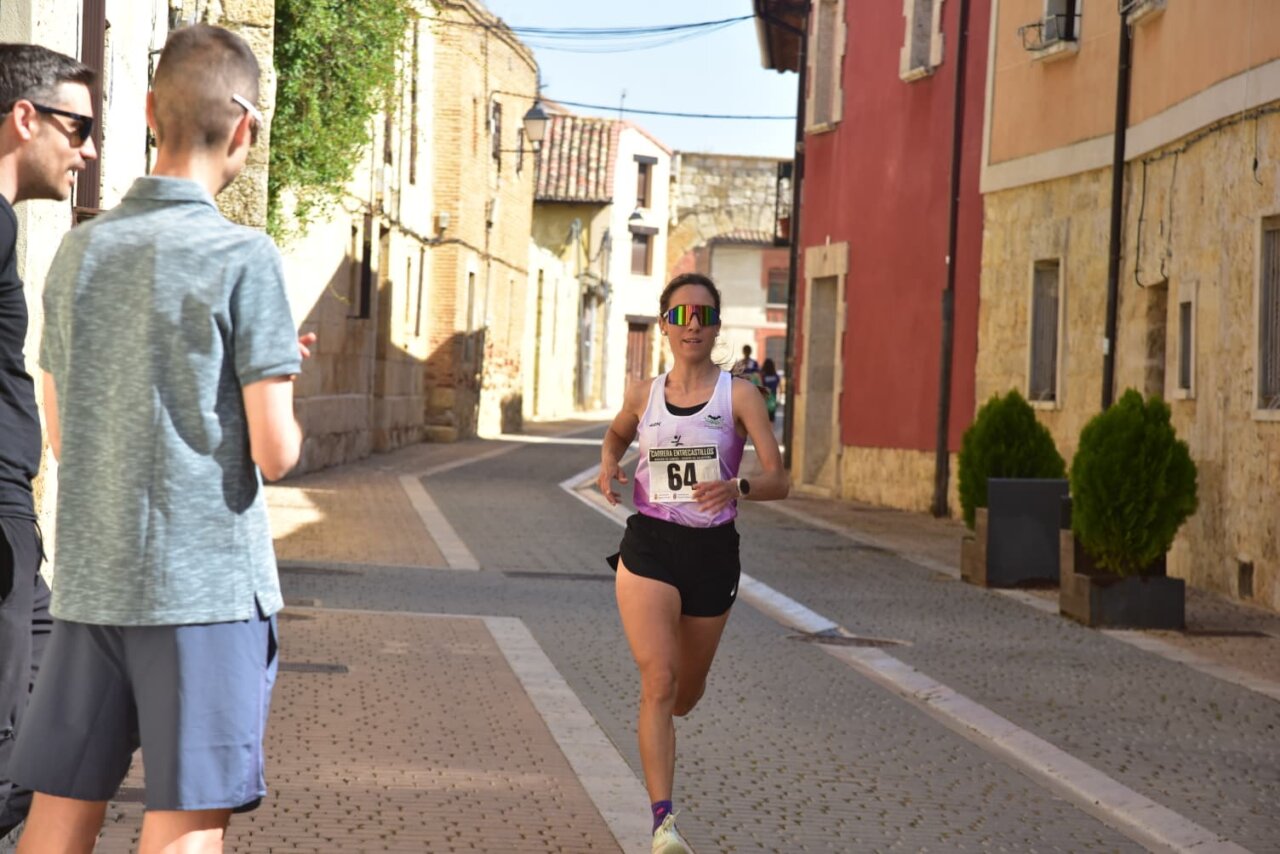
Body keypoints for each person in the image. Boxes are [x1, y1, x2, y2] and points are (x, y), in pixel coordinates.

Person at [9, 24, 306, 854]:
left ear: (148, 112)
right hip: (205, 596)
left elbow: (65, 436)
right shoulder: (245, 257)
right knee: (184, 825)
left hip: (92, 587)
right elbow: (276, 451)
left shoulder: (80, 249)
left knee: (58, 813)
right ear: (244, 128)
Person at [598, 272, 789, 853]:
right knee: (658, 679)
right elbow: (615, 436)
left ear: (716, 326)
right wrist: (608, 463)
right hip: (650, 545)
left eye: (704, 316)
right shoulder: (643, 393)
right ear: (664, 325)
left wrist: (738, 489)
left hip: (712, 555)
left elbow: (780, 478)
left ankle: (676, 708)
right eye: (681, 316)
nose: (693, 326)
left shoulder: (741, 396)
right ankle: (664, 825)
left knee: (685, 692)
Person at [0, 43, 97, 843]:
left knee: (38, 745)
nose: (87, 149)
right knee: (7, 763)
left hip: (14, 528)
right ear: (24, 118)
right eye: (77, 127)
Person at [760, 357, 781, 424]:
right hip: (773, 400)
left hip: (764, 399)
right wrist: (779, 400)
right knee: (771, 420)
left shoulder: (763, 376)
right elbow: (779, 388)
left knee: (763, 420)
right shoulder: (776, 376)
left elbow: (760, 386)